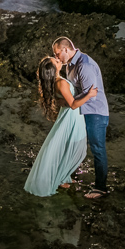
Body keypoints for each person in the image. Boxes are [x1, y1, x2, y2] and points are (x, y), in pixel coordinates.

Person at [24, 56, 98, 197]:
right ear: (53, 69)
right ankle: (59, 178)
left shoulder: (56, 82)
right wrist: (90, 95)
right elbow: (73, 104)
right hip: (71, 117)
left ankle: (63, 177)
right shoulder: (60, 83)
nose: (59, 60)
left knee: (68, 148)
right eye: (56, 61)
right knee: (77, 149)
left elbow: (62, 100)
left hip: (70, 115)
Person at [52, 36, 110, 199]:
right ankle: (67, 176)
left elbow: (90, 95)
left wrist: (68, 102)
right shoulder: (70, 65)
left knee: (98, 149)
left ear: (65, 49)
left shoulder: (85, 65)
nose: (57, 57)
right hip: (81, 112)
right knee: (74, 143)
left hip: (95, 112)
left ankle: (100, 188)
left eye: (57, 54)